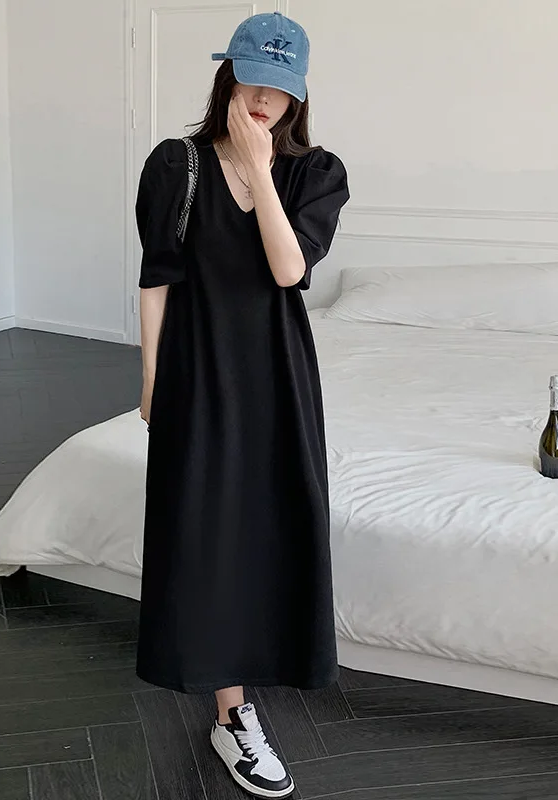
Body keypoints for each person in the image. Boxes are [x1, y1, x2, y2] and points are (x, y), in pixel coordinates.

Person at [135, 11, 349, 799]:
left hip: (278, 378)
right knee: (207, 534)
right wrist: (150, 380)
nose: (264, 99)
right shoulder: (177, 164)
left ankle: (260, 680)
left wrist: (260, 171)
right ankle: (232, 713)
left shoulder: (316, 173)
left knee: (274, 524)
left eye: (280, 89)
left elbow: (289, 271)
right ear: (228, 75)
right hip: (197, 372)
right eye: (253, 79)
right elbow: (157, 279)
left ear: (298, 96)